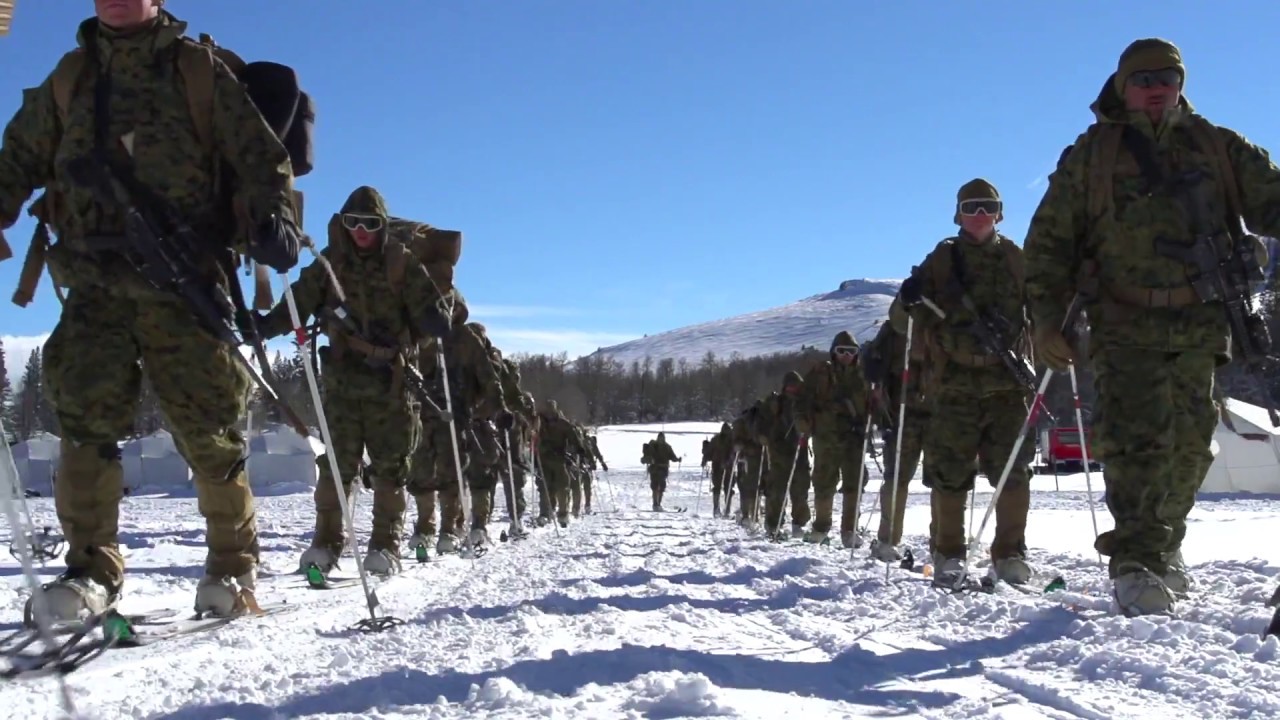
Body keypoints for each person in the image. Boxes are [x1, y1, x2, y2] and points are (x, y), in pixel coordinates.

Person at [0, 0, 301, 620]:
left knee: (209, 426)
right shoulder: (70, 77)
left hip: (183, 282)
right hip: (93, 282)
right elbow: (17, 159)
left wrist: (275, 222)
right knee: (84, 419)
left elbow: (261, 158)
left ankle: (232, 565)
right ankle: (90, 571)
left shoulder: (198, 71)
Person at [1023, 39, 1280, 615]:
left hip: (1200, 321)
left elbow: (1273, 202)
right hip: (1123, 320)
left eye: (1168, 76)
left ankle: (1165, 547)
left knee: (1191, 447)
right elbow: (1048, 245)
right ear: (1123, 86)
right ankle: (1135, 562)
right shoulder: (1093, 155)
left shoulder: (1218, 145)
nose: (1157, 87)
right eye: (1143, 79)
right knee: (1135, 442)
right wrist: (1045, 320)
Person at [895, 178, 1034, 588]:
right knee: (950, 473)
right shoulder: (941, 260)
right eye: (971, 207)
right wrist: (908, 299)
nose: (979, 214)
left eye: (987, 206)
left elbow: (1042, 307)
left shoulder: (1016, 259)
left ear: (1000, 214)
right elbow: (901, 321)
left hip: (1006, 384)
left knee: (1013, 472)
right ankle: (949, 554)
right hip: (953, 382)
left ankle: (1010, 554)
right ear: (958, 214)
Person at [801, 332, 871, 547]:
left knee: (854, 484)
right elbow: (802, 400)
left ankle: (849, 530)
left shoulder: (865, 376)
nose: (847, 356)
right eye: (842, 351)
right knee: (824, 483)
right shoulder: (821, 374)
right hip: (826, 438)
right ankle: (821, 528)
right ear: (833, 352)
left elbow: (873, 404)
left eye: (852, 351)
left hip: (854, 438)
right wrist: (803, 421)